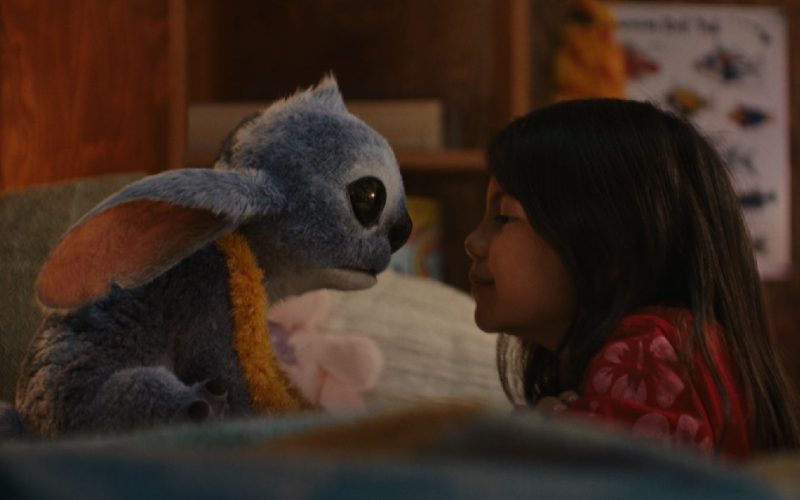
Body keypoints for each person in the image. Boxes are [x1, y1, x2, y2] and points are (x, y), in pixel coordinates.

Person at [463, 98, 799, 459]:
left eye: (503, 217)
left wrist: (531, 446)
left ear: (607, 249)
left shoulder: (650, 354)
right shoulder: (671, 344)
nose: (472, 242)